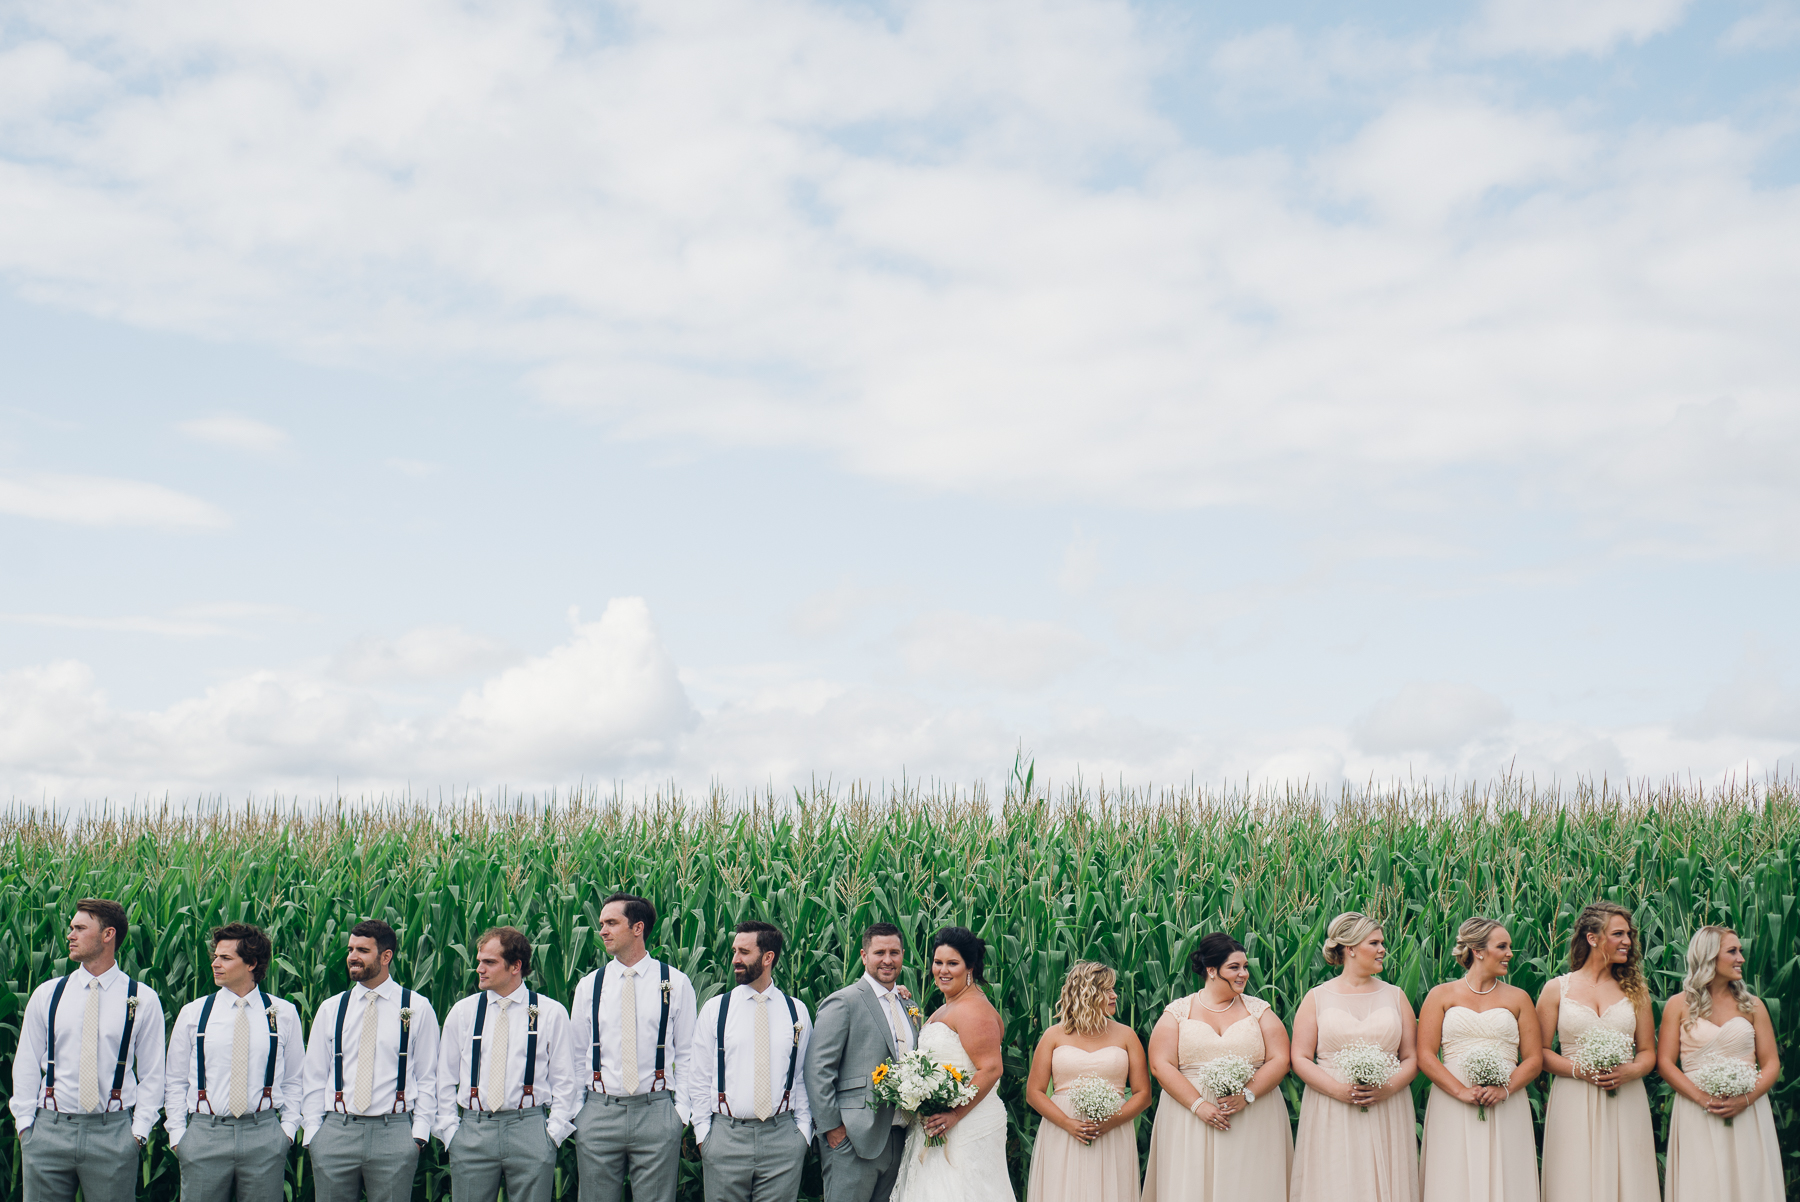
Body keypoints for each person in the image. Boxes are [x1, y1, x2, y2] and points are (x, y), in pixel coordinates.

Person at [10, 898, 166, 1202]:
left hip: (113, 1135)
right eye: (71, 928)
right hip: (47, 1132)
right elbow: (26, 1061)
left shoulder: (142, 999)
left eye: (80, 928)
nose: (70, 935)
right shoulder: (49, 994)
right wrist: (25, 1127)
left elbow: (153, 1073)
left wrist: (137, 1133)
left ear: (108, 935)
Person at [1140, 932, 1291, 1202]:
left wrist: (1247, 1095)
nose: (1243, 973)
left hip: (1253, 1114)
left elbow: (1280, 1059)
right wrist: (1199, 1105)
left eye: (1245, 966)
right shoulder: (1178, 1012)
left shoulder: (1259, 1010)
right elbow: (1161, 1065)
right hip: (1188, 1116)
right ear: (1211, 970)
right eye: (1234, 967)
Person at [569, 892, 699, 1202]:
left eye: (612, 923)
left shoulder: (676, 982)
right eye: (602, 923)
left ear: (638, 928)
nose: (602, 930)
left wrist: (679, 1113)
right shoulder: (591, 985)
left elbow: (689, 1054)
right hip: (599, 1111)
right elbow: (575, 1054)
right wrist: (578, 1113)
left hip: (656, 1111)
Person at [435, 926, 580, 1202]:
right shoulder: (463, 1012)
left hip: (530, 1130)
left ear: (516, 966)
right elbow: (444, 1078)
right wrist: (451, 1132)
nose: (479, 969)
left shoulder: (550, 1012)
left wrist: (552, 1134)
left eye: (489, 962)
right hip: (472, 1132)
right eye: (479, 961)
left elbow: (565, 1080)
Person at [301, 918, 441, 1202]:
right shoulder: (331, 1008)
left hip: (394, 1133)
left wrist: (418, 1136)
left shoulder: (416, 1007)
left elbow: (428, 1077)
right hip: (336, 1131)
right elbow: (314, 1075)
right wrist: (314, 1134)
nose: (352, 956)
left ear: (385, 956)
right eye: (351, 949)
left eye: (362, 950)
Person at [165, 922, 306, 1202]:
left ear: (252, 963)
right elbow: (176, 1080)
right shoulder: (194, 1013)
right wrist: (179, 1136)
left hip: (263, 1134)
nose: (215, 963)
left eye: (226, 958)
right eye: (215, 956)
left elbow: (295, 1079)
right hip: (205, 1134)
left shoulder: (284, 1013)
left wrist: (287, 1132)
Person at [1288, 911, 1419, 1202]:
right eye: (1374, 943)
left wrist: (1388, 1088)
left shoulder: (1396, 996)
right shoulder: (1316, 997)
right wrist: (1338, 1090)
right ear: (1350, 948)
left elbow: (1411, 1056)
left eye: (1382, 943)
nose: (1383, 949)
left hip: (1388, 1102)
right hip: (1331, 1103)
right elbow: (1299, 1057)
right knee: (1335, 1178)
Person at [1536, 900, 1660, 1202]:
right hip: (1573, 1096)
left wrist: (1631, 1070)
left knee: (1628, 1175)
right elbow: (1537, 1052)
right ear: (1593, 938)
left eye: (1629, 934)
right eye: (1618, 934)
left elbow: (1647, 1052)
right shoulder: (1557, 989)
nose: (1628, 941)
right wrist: (1579, 1070)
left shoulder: (1636, 989)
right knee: (1574, 1177)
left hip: (1626, 1095)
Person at [1416, 917, 1542, 1202]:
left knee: (1507, 1172)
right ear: (1478, 950)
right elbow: (1425, 1055)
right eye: (1502, 946)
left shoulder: (1519, 998)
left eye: (1510, 946)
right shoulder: (1441, 995)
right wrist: (1460, 1090)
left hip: (1506, 1100)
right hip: (1452, 1099)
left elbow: (1534, 1059)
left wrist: (1505, 1089)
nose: (1511, 953)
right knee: (1453, 1173)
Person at [690, 921, 814, 1202]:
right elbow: (698, 1077)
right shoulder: (715, 1010)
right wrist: (703, 1136)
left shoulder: (796, 1010)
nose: (735, 959)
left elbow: (804, 1076)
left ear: (768, 957)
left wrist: (802, 1135)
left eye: (744, 952)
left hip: (782, 1139)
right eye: (734, 951)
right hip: (725, 1137)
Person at [1658, 925, 1784, 1201]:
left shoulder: (1754, 1005)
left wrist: (1746, 1099)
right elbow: (1665, 1063)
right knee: (1702, 1182)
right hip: (1696, 1109)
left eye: (1740, 951)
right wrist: (1702, 1098)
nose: (1741, 958)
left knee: (1749, 1180)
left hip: (1747, 1109)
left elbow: (1771, 1063)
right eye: (1732, 951)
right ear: (1709, 956)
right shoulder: (1678, 1005)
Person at [889, 925, 1015, 1202]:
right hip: (940, 1122)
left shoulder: (974, 1009)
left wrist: (955, 1114)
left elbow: (992, 1068)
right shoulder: (949, 1005)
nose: (943, 970)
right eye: (938, 962)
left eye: (952, 963)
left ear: (970, 967)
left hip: (966, 1124)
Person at [806, 922, 922, 1202]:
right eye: (879, 952)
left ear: (903, 955)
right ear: (863, 956)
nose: (887, 960)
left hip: (899, 1137)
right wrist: (832, 1128)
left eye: (894, 952)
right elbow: (817, 1069)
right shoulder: (843, 1002)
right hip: (853, 1139)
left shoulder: (909, 1005)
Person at [1023, 960, 1150, 1202]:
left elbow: (1143, 1093)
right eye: (1107, 990)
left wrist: (1111, 1122)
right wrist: (1068, 1123)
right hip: (1062, 1130)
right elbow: (1034, 1092)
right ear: (1086, 993)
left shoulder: (1127, 1035)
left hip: (1112, 1130)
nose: (1115, 995)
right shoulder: (1053, 1035)